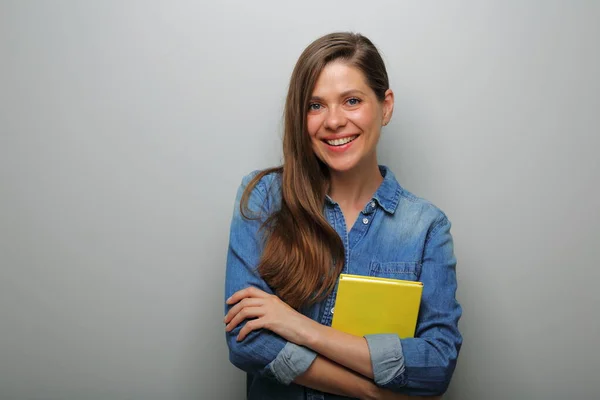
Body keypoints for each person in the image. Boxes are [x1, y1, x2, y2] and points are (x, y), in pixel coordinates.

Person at [223, 32, 462, 400]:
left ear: (386, 106)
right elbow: (248, 342)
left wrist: (300, 327)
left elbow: (436, 363)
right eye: (315, 106)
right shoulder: (265, 199)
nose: (333, 121)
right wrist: (372, 392)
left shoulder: (426, 227)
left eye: (351, 101)